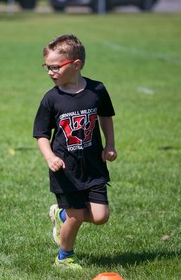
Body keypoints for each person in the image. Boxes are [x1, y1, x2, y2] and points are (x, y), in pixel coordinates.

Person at [33, 34, 117, 269]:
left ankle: (60, 216)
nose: (50, 72)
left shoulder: (97, 90)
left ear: (76, 64)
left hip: (93, 165)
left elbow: (106, 117)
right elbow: (41, 134)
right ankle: (65, 256)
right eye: (46, 67)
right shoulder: (51, 99)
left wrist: (110, 144)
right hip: (65, 169)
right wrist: (50, 157)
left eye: (55, 67)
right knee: (77, 215)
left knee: (100, 217)